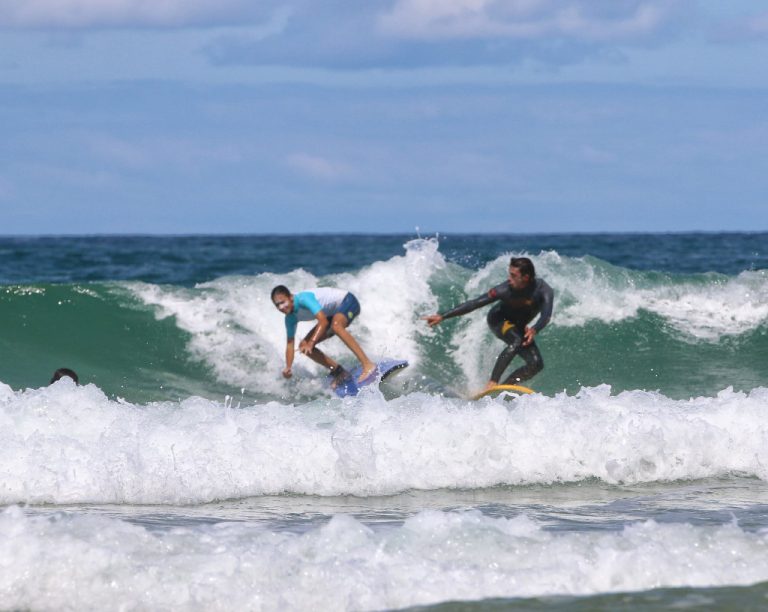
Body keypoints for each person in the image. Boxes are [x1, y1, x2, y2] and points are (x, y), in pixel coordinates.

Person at [424, 257, 553, 392]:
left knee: (536, 363)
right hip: (499, 319)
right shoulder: (504, 289)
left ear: (526, 277)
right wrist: (443, 316)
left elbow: (546, 315)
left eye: (513, 276)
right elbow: (475, 303)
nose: (509, 279)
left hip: (519, 325)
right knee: (517, 340)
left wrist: (534, 329)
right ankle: (493, 382)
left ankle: (507, 386)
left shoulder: (543, 290)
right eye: (510, 274)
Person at [271, 285, 376, 385]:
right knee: (303, 346)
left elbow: (323, 321)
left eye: (283, 302)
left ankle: (368, 365)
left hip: (348, 302)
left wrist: (311, 343)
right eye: (277, 305)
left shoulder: (303, 299)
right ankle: (339, 372)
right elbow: (290, 344)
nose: (281, 307)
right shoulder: (290, 318)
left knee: (336, 326)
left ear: (290, 297)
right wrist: (288, 367)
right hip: (332, 315)